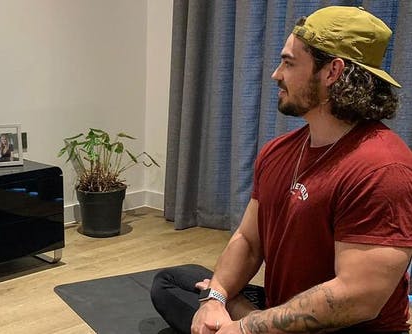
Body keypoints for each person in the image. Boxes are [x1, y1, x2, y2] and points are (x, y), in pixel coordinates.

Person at [150, 6, 412, 334]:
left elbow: (358, 298)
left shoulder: (382, 167)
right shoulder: (278, 152)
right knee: (173, 281)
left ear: (332, 72)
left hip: (347, 326)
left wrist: (246, 328)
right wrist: (218, 298)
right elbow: (248, 238)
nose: (276, 74)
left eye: (289, 63)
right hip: (283, 311)